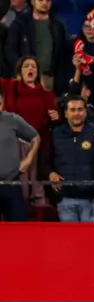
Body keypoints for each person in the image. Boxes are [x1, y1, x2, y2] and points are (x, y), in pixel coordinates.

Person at [48, 96, 94, 222]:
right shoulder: (56, 134)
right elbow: (44, 162)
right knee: (69, 240)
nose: (77, 113)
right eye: (73, 110)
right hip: (65, 198)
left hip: (92, 198)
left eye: (80, 109)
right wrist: (50, 173)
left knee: (90, 240)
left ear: (86, 112)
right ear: (66, 113)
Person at [0, 85, 40, 221]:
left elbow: (35, 137)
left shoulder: (12, 119)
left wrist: (28, 160)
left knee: (19, 232)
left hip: (11, 186)